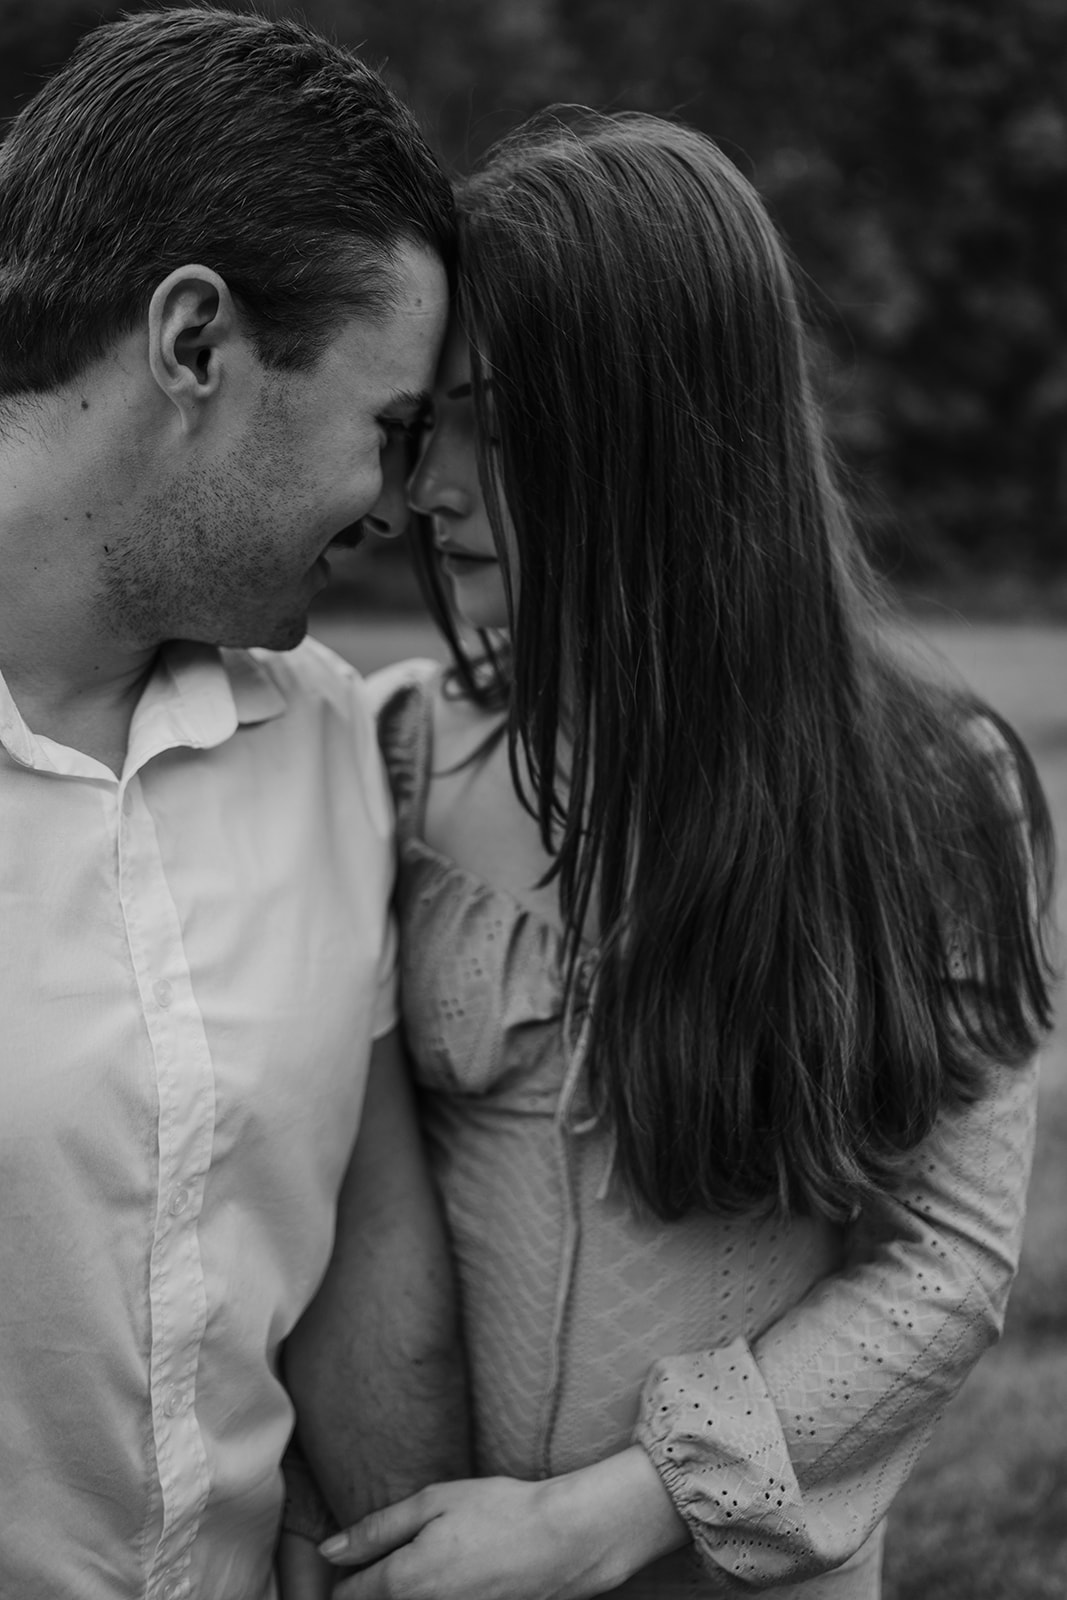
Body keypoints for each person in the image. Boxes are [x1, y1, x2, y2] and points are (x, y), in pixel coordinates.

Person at [296, 113, 1058, 1599]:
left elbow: (946, 1270)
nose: (427, 489)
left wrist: (605, 1520)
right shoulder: (389, 754)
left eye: (496, 430)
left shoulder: (927, 799)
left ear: (655, 439)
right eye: (423, 423)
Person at [0, 10, 467, 1599]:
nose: (402, 503)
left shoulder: (329, 738)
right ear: (195, 345)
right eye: (388, 428)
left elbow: (359, 1250)